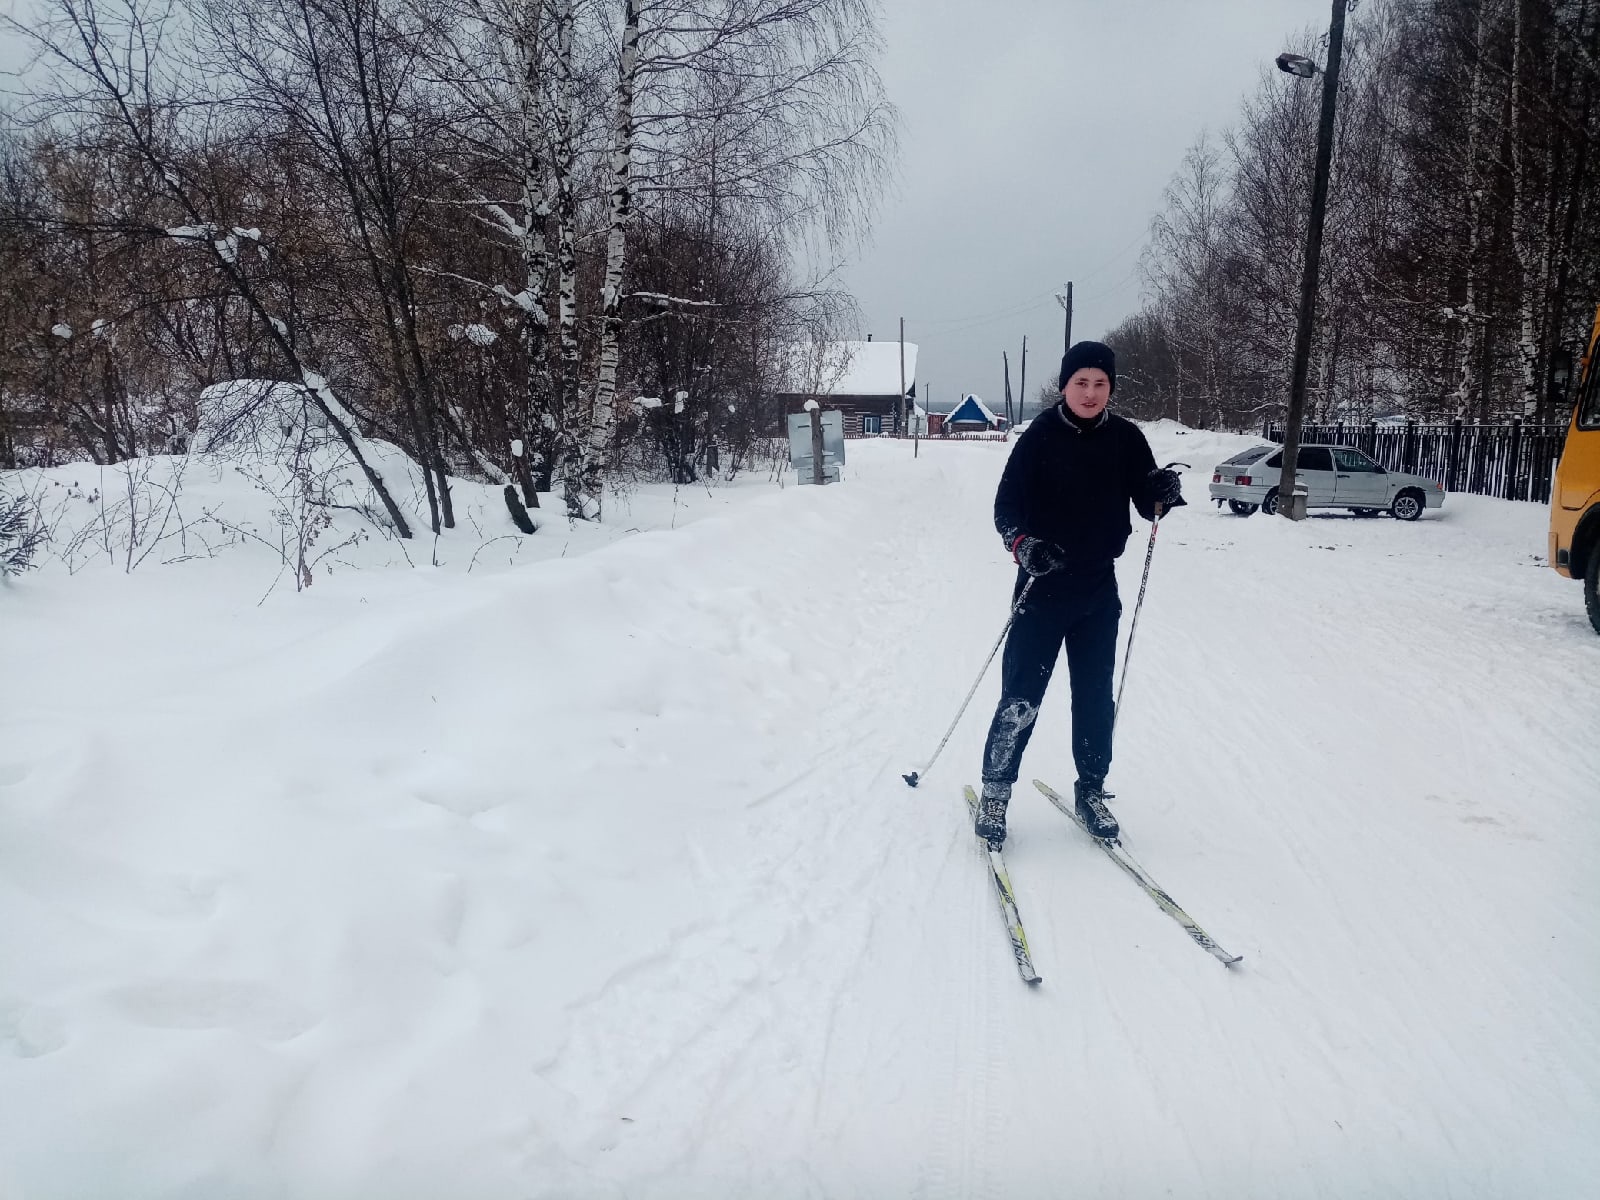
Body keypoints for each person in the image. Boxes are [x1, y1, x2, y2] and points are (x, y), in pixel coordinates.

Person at [974, 340, 1183, 846]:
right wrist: (1023, 545)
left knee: (1094, 698)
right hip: (1042, 589)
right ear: (1064, 384)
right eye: (1080, 382)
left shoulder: (1126, 438)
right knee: (1021, 698)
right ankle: (996, 791)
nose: (1090, 393)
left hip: (1097, 590)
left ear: (1111, 388)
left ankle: (1091, 789)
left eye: (1100, 384)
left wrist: (1162, 493)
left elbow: (1146, 500)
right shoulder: (1039, 438)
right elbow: (1006, 508)